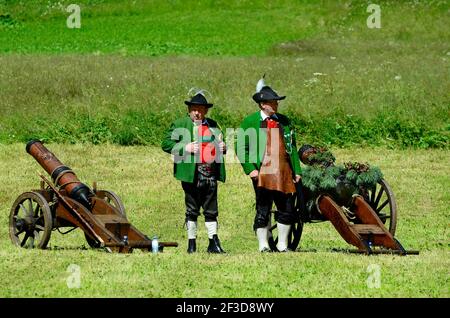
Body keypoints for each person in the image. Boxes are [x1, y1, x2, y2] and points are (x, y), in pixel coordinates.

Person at [235, 78, 302, 252]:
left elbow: (292, 146)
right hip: (262, 172)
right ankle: (263, 245)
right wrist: (250, 169)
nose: (276, 105)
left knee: (286, 208)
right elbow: (241, 147)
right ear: (263, 104)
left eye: (276, 102)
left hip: (284, 171)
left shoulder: (285, 121)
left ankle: (282, 245)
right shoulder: (249, 122)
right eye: (273, 102)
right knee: (263, 208)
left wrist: (297, 170)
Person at [161, 89, 226, 254]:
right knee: (192, 209)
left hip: (210, 172)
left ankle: (213, 242)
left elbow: (220, 144)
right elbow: (166, 144)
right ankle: (192, 243)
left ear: (205, 110)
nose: (197, 113)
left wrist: (223, 148)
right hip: (191, 173)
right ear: (189, 110)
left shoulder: (213, 125)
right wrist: (185, 147)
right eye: (194, 109)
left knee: (211, 209)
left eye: (200, 109)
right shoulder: (180, 124)